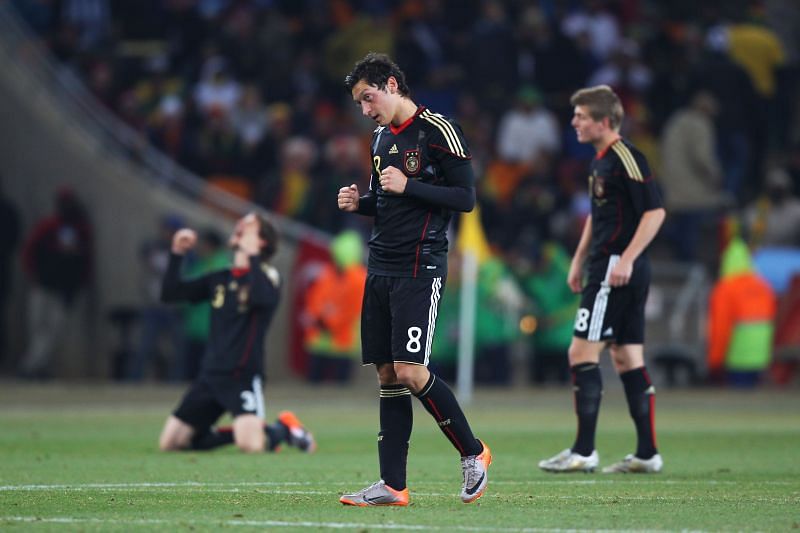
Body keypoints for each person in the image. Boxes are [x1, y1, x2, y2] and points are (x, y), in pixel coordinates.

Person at [337, 52, 491, 506]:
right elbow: (387, 200)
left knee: (410, 369)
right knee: (387, 373)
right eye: (360, 104)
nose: (365, 110)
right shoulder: (381, 136)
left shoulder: (437, 130)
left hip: (419, 266)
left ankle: (474, 452)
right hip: (380, 264)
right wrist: (359, 202)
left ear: (390, 84)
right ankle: (392, 485)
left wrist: (409, 186)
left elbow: (465, 198)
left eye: (368, 98)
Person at [538, 85, 666, 474]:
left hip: (616, 268)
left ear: (604, 121)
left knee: (580, 353)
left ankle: (583, 450)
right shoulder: (600, 162)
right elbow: (599, 217)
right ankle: (647, 454)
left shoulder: (627, 157)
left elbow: (655, 212)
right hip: (609, 265)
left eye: (581, 116)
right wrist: (577, 260)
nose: (573, 122)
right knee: (627, 356)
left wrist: (625, 258)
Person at [158, 212, 315, 455]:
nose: (240, 225)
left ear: (262, 241)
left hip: (242, 375)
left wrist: (251, 255)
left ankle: (281, 432)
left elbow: (260, 299)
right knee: (171, 443)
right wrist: (177, 254)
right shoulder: (221, 278)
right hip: (210, 375)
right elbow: (171, 293)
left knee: (250, 446)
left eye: (249, 225)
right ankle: (270, 429)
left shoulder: (268, 277)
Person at [18, 187, 93, 379]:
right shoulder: (48, 226)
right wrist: (32, 275)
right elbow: (29, 250)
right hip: (42, 286)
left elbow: (84, 260)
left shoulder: (80, 229)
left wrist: (78, 285)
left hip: (62, 290)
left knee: (54, 331)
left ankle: (31, 367)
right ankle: (37, 367)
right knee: (38, 328)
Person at [708, 237, 776, 387]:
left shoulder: (726, 288)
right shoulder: (763, 286)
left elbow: (720, 327)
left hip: (736, 357)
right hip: (761, 356)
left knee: (736, 402)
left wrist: (715, 360)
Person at [302, 230, 366, 384]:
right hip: (321, 338)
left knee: (340, 384)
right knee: (315, 381)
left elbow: (353, 309)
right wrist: (317, 318)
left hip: (343, 338)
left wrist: (328, 322)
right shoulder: (327, 273)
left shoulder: (358, 278)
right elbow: (315, 299)